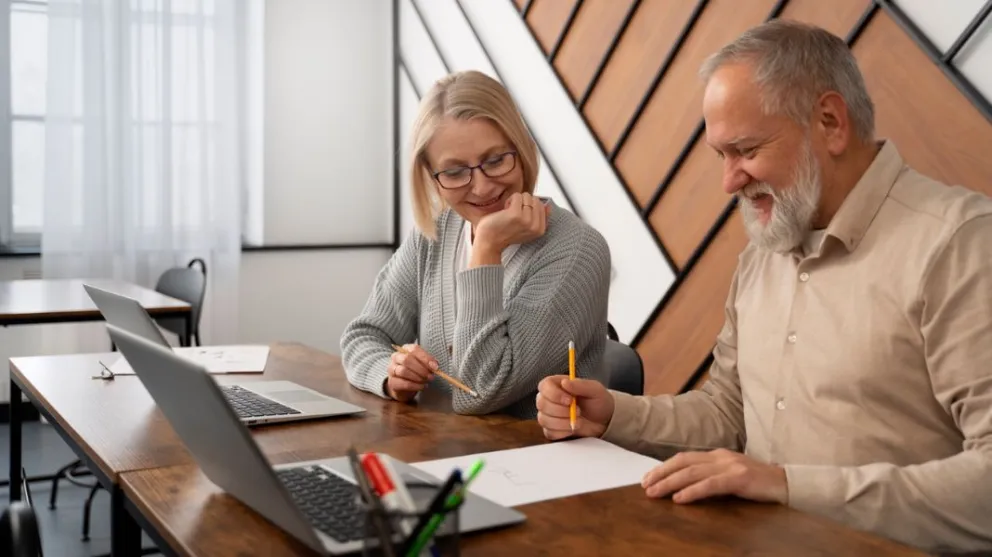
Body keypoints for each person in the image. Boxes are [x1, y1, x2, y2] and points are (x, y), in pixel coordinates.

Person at [536, 20, 992, 554]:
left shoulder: (960, 245)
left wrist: (785, 485)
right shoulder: (762, 255)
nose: (729, 181)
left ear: (830, 122)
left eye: (746, 150)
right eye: (720, 156)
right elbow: (729, 415)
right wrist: (614, 414)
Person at [342, 70, 611, 419]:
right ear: (431, 178)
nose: (482, 188)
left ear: (522, 149)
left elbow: (480, 391)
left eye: (496, 160)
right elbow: (363, 335)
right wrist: (391, 375)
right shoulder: (435, 234)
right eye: (454, 172)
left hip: (535, 460)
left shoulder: (576, 250)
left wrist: (486, 248)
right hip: (442, 449)